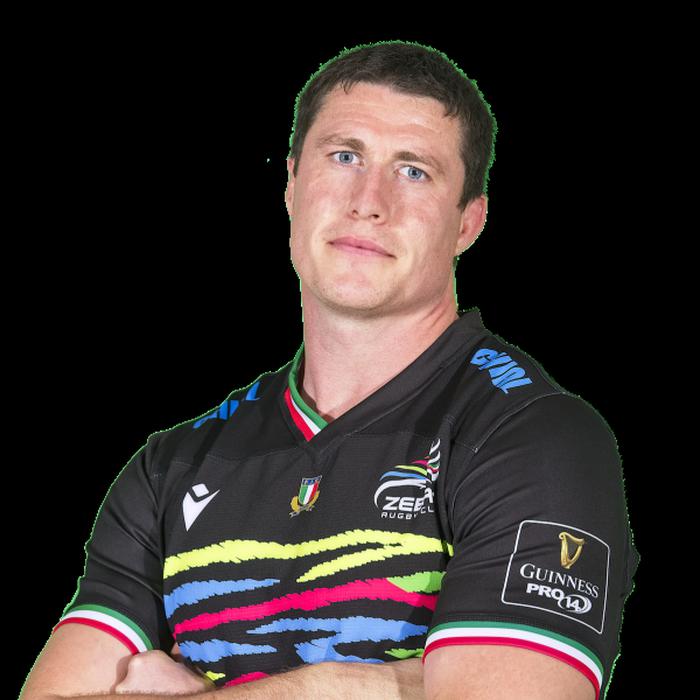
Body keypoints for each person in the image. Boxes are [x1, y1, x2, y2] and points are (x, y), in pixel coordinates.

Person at [20, 40, 639, 700]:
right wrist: (408, 682)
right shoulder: (170, 467)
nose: (369, 202)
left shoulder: (534, 437)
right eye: (345, 156)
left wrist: (244, 691)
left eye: (414, 171)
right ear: (291, 182)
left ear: (468, 222)